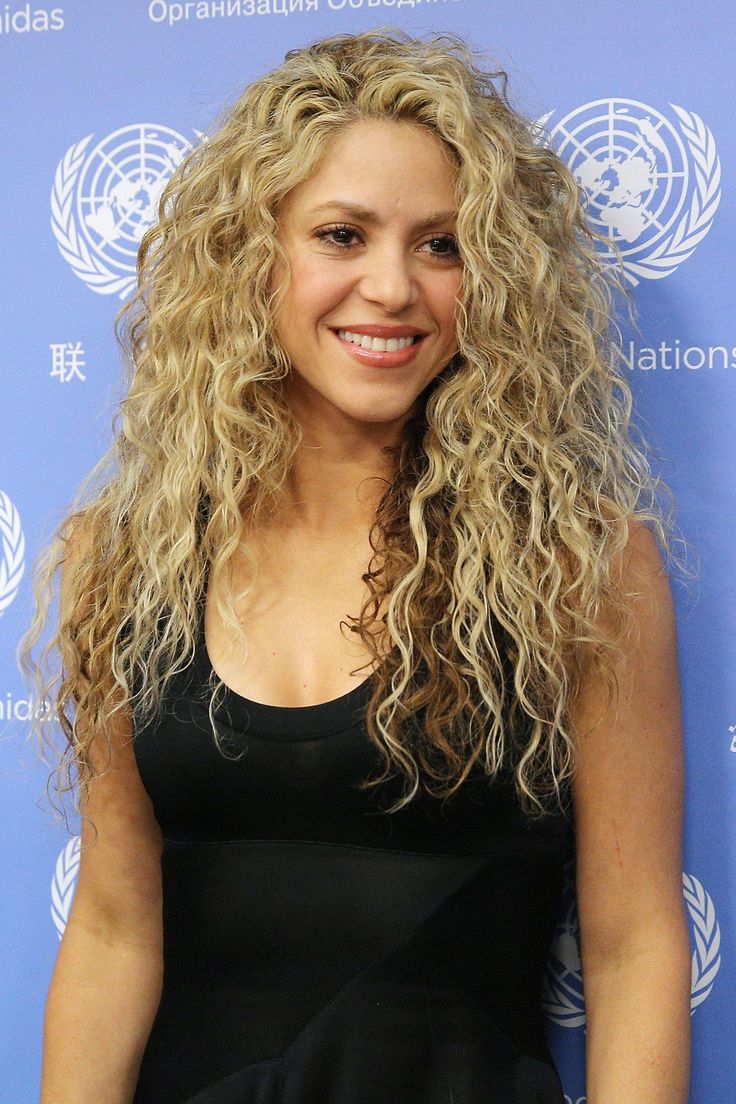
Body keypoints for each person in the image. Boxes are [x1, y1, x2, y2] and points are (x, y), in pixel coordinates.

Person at [24, 27, 693, 1104]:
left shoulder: (581, 565)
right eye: (342, 234)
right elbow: (110, 930)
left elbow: (632, 948)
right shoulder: (123, 559)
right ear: (253, 256)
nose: (393, 286)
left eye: (442, 244)